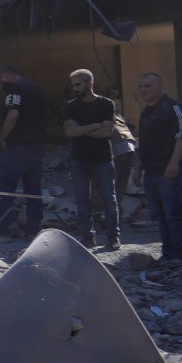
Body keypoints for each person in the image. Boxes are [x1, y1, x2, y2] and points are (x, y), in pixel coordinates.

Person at [59, 69, 122, 249]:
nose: (74, 88)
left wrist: (82, 129)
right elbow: (70, 131)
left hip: (102, 158)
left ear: (89, 83)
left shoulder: (106, 104)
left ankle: (113, 237)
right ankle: (87, 237)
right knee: (82, 199)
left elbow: (106, 132)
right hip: (79, 159)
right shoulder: (71, 106)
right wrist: (94, 125)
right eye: (72, 85)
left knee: (109, 198)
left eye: (78, 84)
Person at [0, 64, 49, 237]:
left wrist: (1, 138)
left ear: (4, 77)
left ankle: (5, 228)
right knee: (33, 190)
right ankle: (34, 228)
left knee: (5, 189)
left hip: (18, 147)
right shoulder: (36, 89)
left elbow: (13, 115)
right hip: (37, 145)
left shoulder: (14, 89)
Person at [134, 71, 182, 263]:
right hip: (151, 171)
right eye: (141, 86)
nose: (143, 90)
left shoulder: (173, 107)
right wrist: (138, 166)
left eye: (148, 86)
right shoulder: (145, 112)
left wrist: (174, 163)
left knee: (173, 214)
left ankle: (177, 255)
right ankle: (167, 254)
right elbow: (144, 142)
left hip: (169, 171)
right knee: (160, 216)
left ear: (160, 87)